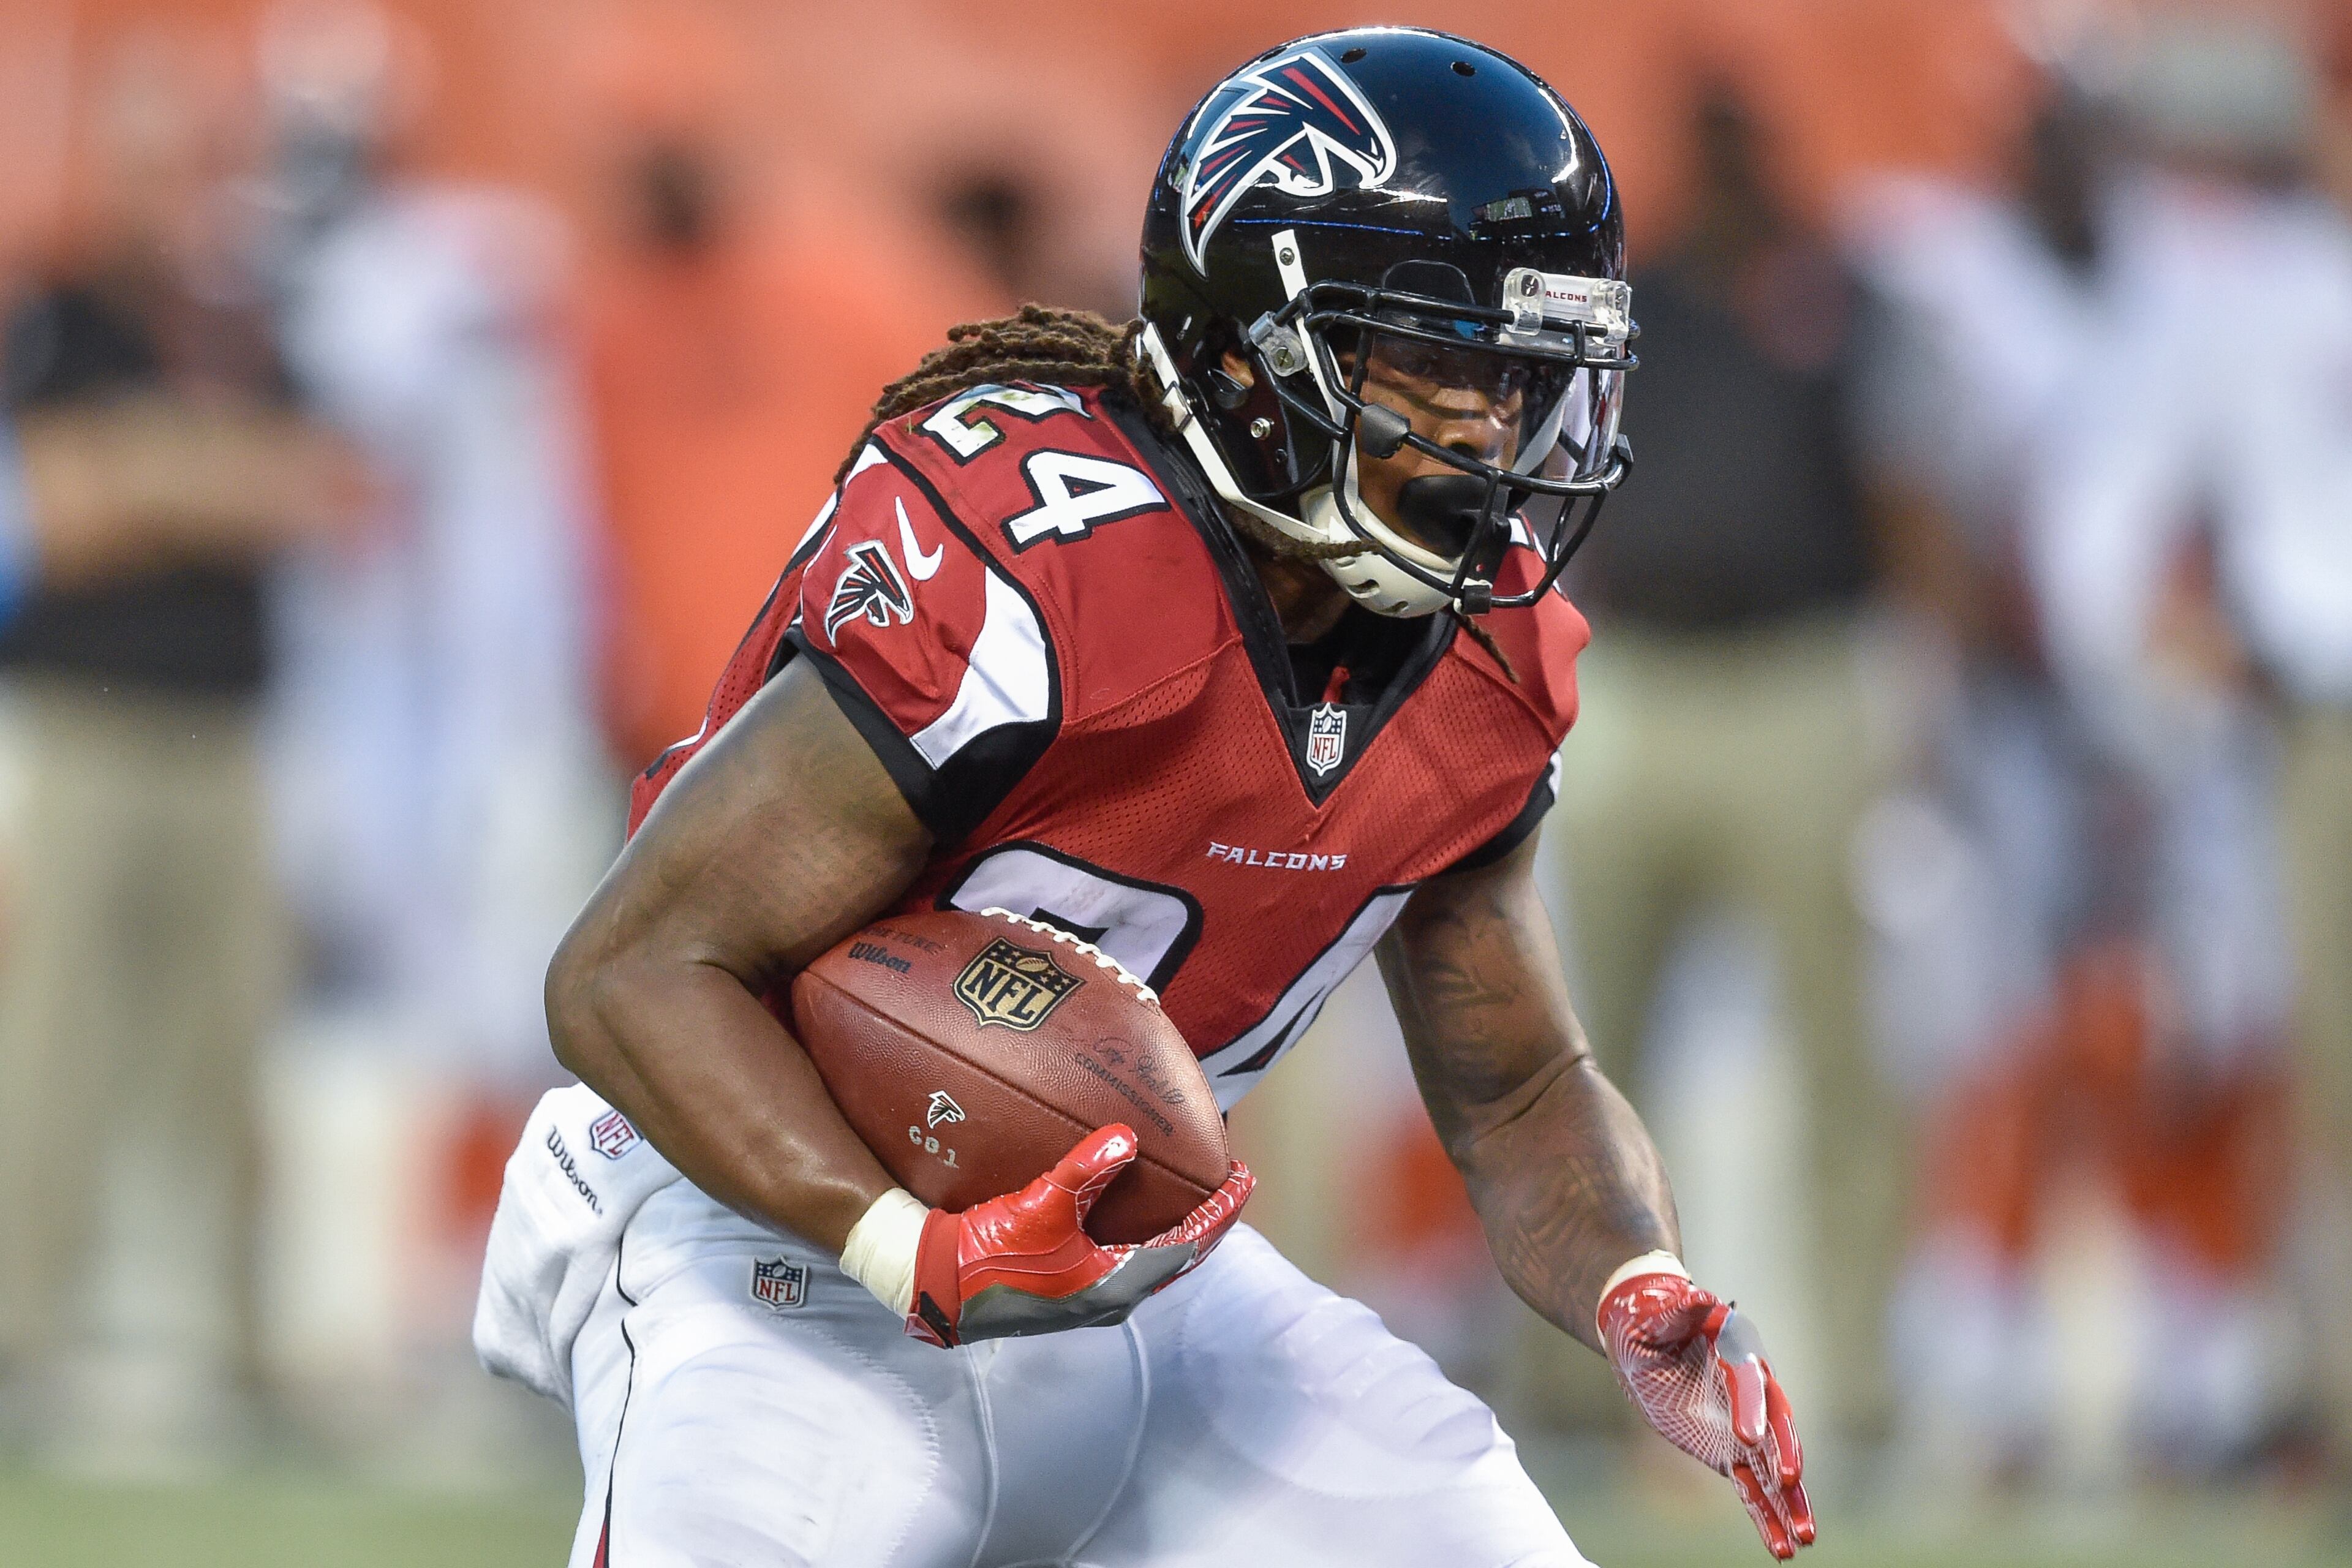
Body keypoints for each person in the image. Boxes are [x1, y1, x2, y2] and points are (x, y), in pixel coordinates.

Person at [479, 29, 1815, 1565]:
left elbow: (1516, 1086)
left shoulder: (1486, 654)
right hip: (777, 1232)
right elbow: (630, 966)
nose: (1494, 429)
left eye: (1523, 375)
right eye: (1439, 361)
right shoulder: (1044, 572)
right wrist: (909, 1242)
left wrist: (1634, 1279)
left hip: (1133, 1255)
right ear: (1256, 356)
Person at [1534, 81, 1902, 1447]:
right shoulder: (1626, 304)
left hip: (1806, 678)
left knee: (1840, 1042)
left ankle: (1860, 1374)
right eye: (1714, 144)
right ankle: (1580, 1378)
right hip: (1647, 681)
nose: (1733, 169)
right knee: (1580, 1049)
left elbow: (1904, 478)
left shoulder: (1841, 292)